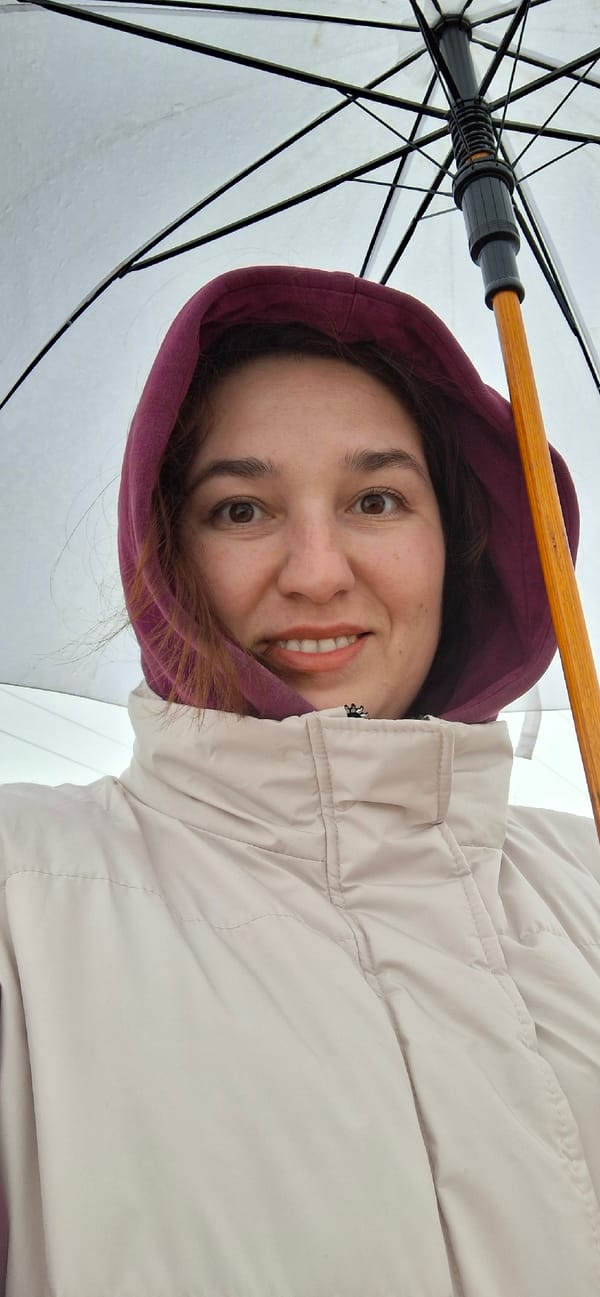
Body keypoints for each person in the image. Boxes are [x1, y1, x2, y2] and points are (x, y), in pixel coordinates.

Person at [0, 264, 599, 1296]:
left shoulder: (588, 878)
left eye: (376, 499)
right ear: (164, 551)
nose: (317, 570)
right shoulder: (23, 904)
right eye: (241, 509)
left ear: (459, 541)